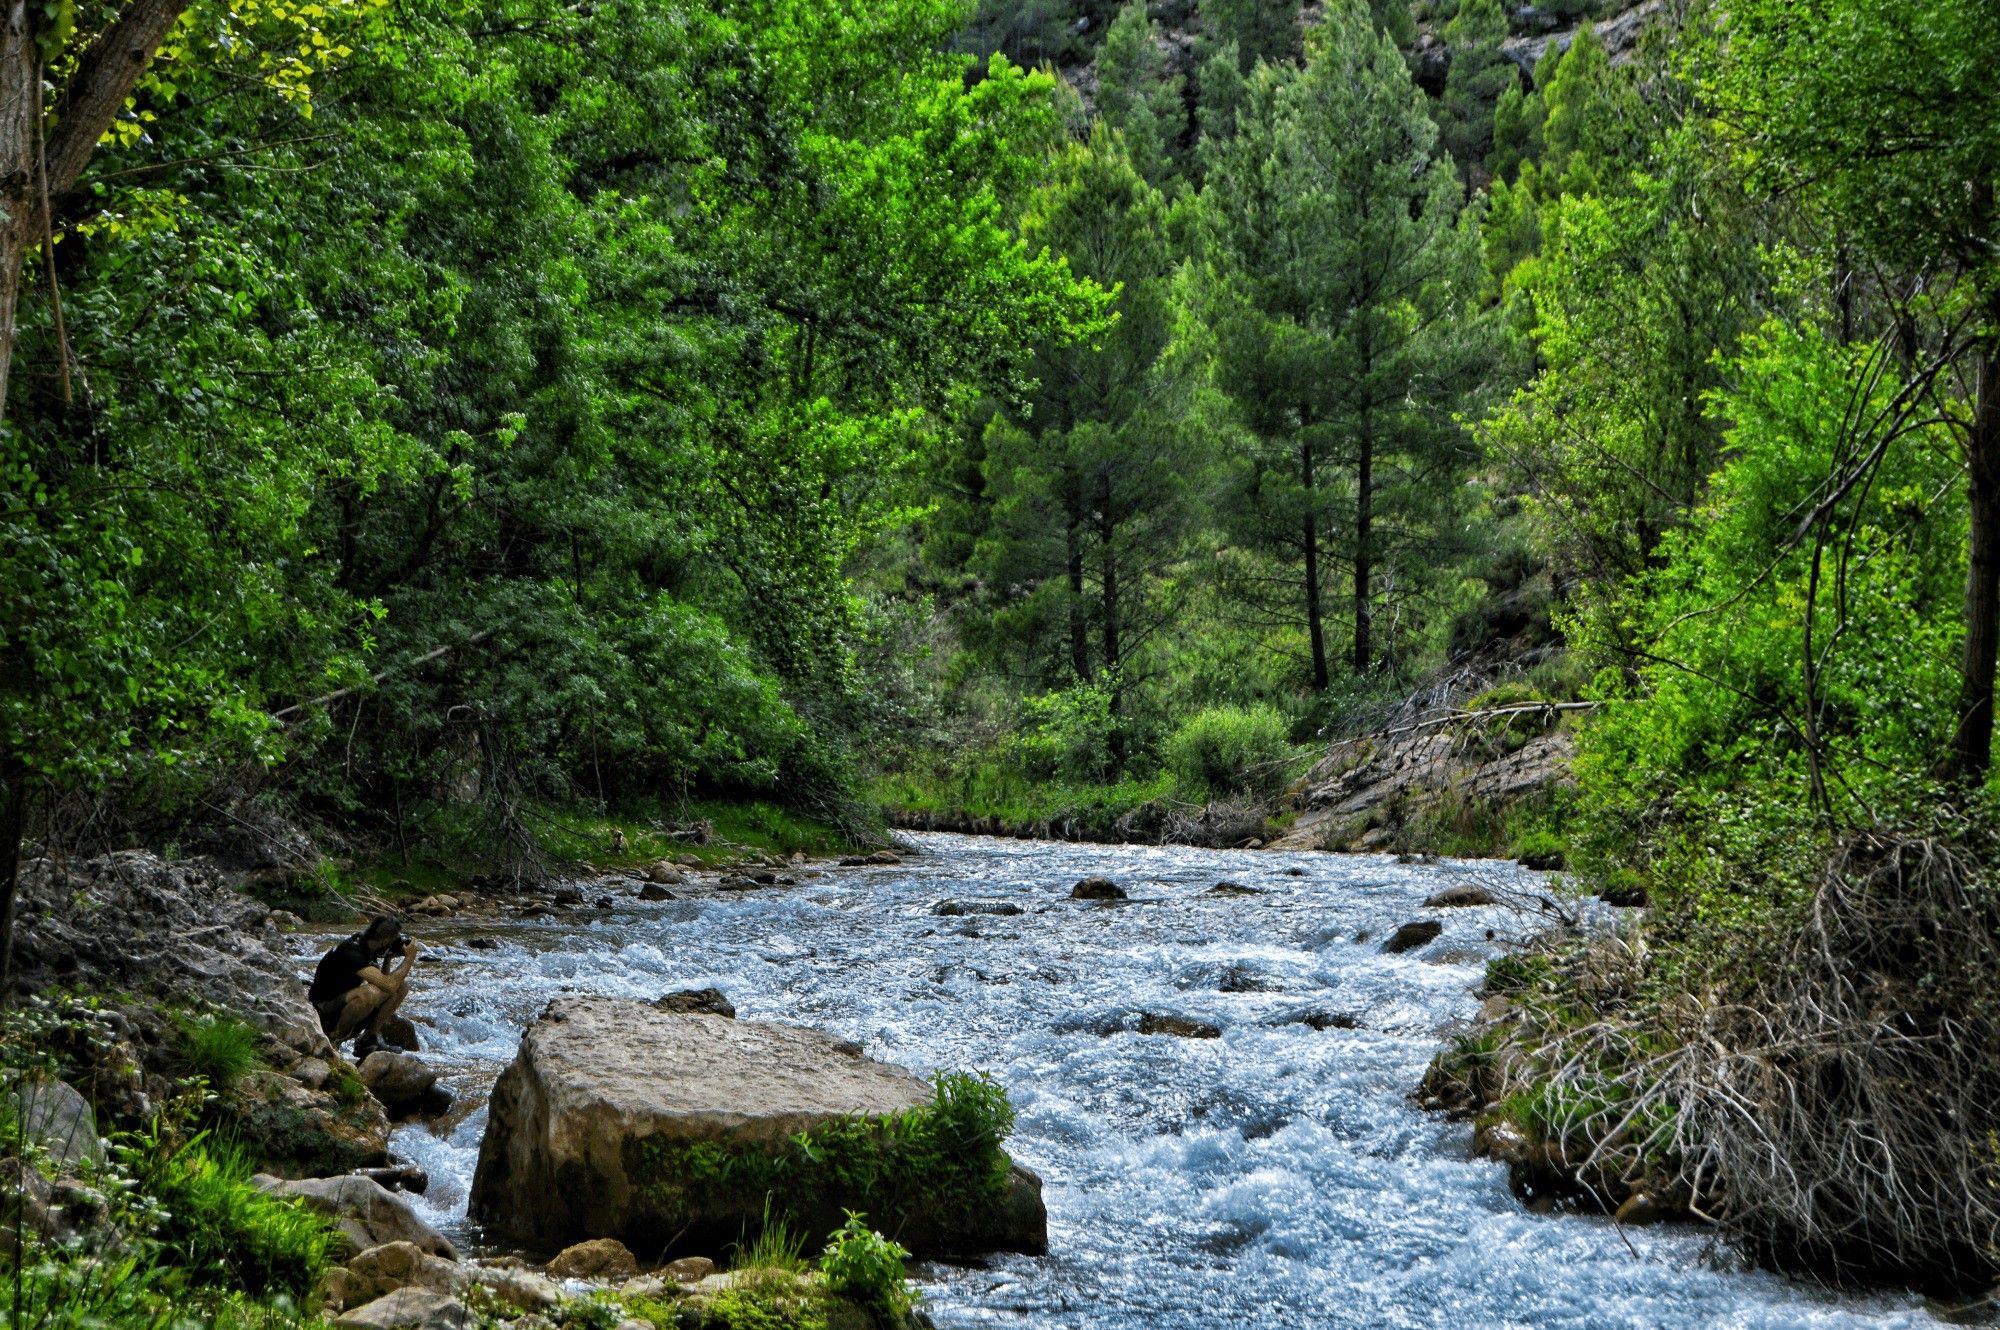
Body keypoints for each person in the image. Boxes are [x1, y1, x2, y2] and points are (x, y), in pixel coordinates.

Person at [309, 914, 418, 1056]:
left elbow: (386, 984)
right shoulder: (352, 952)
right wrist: (409, 959)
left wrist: (388, 957)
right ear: (385, 940)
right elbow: (388, 985)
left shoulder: (369, 947)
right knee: (369, 994)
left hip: (343, 1001)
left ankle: (369, 1039)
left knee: (401, 986)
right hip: (323, 1008)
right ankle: (333, 1038)